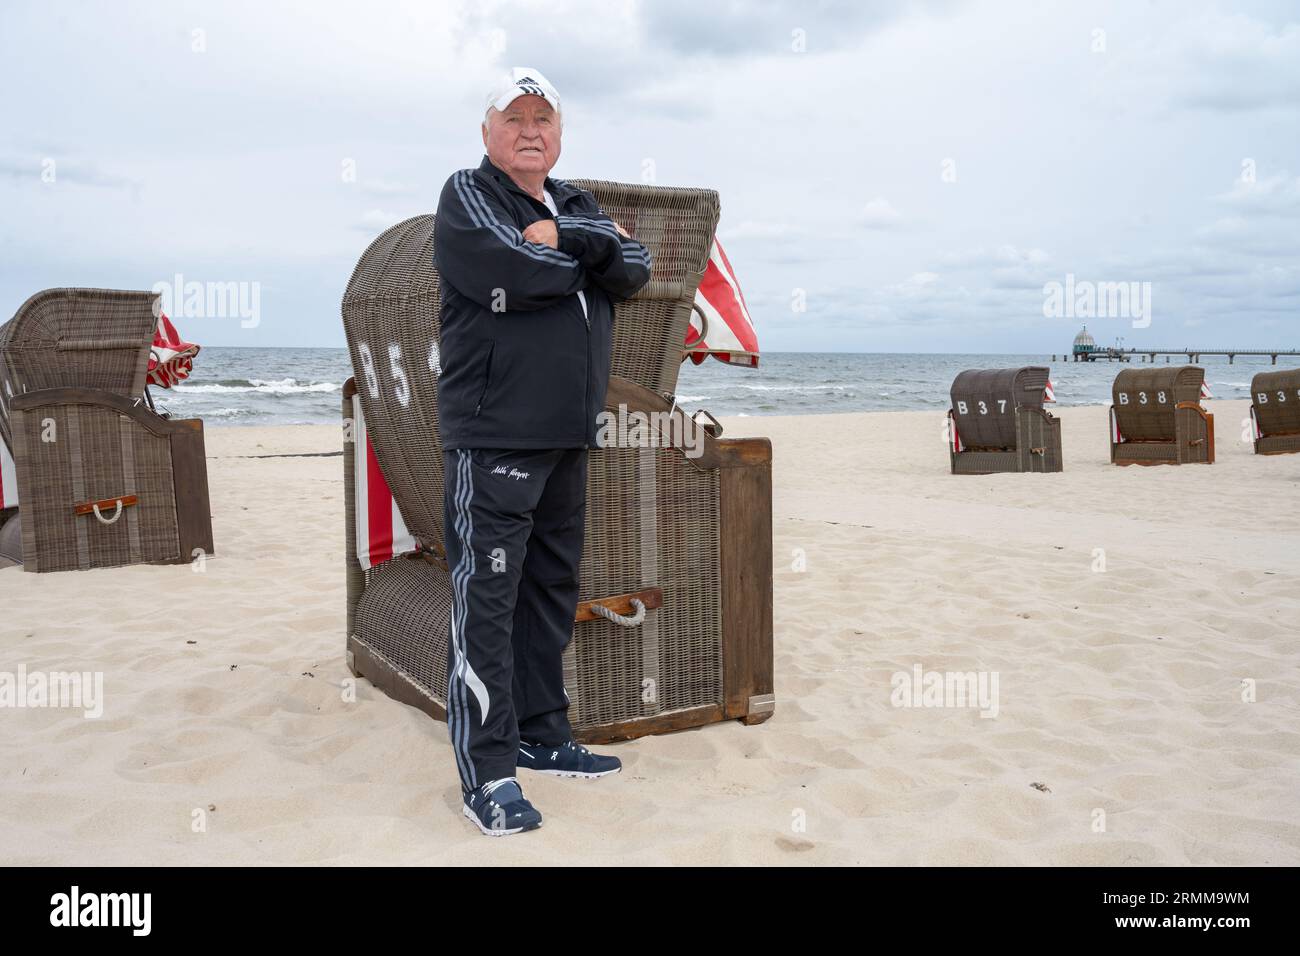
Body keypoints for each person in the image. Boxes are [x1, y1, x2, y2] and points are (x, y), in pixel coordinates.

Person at [432, 67, 653, 835]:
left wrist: (572, 236)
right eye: (516, 117)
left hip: (567, 434)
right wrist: (587, 256)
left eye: (545, 118)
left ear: (560, 133)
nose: (532, 130)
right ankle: (486, 772)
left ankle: (541, 734)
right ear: (488, 131)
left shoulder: (574, 203)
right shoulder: (467, 194)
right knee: (487, 602)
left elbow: (634, 269)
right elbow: (514, 272)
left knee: (549, 591)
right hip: (495, 435)